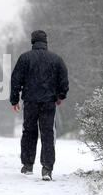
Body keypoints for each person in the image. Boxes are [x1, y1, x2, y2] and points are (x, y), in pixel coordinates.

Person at [10, 30, 69, 181]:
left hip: (30, 101)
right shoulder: (56, 59)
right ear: (46, 42)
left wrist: (14, 99)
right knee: (48, 134)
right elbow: (63, 79)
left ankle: (28, 165)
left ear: (32, 42)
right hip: (49, 102)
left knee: (29, 132)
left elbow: (16, 79)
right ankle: (47, 168)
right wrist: (60, 96)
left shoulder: (25, 58)